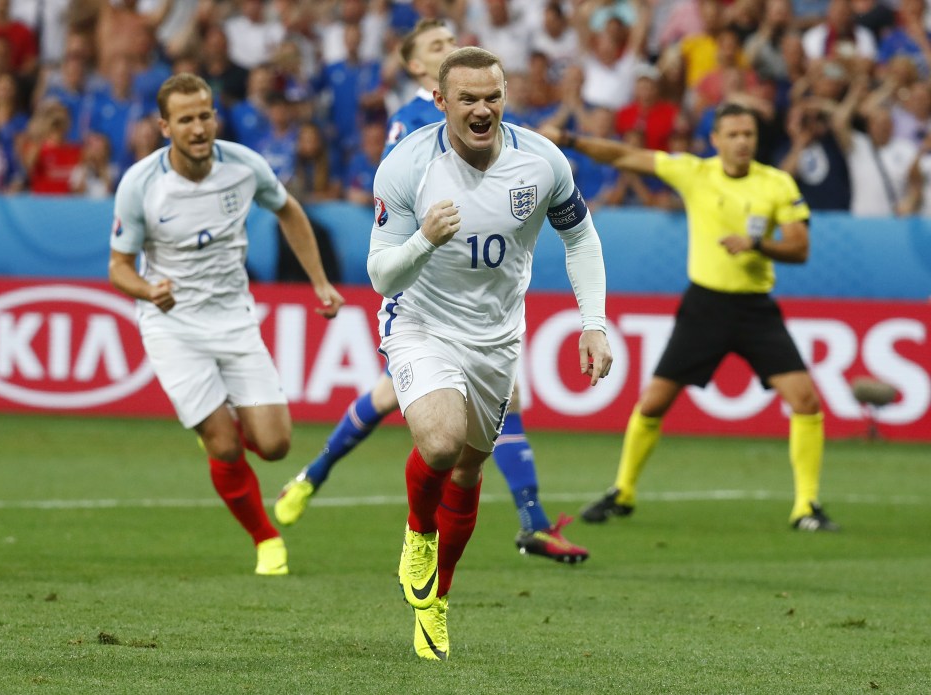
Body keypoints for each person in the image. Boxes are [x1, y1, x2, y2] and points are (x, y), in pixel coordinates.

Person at [275, 18, 593, 566]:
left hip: (480, 309)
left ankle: (317, 475)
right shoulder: (411, 132)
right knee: (428, 422)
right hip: (422, 305)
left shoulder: (495, 123)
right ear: (421, 71)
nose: (452, 48)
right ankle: (524, 519)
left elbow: (572, 227)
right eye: (437, 47)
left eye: (453, 41)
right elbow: (394, 221)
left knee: (450, 422)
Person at [364, 46, 611, 662]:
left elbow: (579, 236)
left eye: (492, 97)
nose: (482, 109)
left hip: (496, 337)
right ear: (441, 101)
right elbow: (380, 275)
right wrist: (424, 238)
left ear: (506, 96)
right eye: (467, 98)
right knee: (441, 444)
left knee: (471, 470)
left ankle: (437, 602)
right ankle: (418, 535)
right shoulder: (406, 168)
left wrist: (594, 323)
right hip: (420, 320)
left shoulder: (542, 162)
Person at [541, 102, 839, 533]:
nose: (741, 142)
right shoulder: (694, 172)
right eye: (733, 135)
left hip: (756, 309)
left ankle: (806, 506)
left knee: (806, 401)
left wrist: (757, 246)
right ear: (715, 140)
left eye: (748, 135)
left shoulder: (777, 183)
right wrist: (568, 140)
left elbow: (800, 247)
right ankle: (622, 492)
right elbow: (625, 156)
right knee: (654, 401)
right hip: (705, 307)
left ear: (756, 141)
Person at [108, 73, 344, 576]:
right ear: (164, 125)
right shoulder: (141, 185)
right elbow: (119, 267)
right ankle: (265, 540)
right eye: (186, 119)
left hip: (234, 319)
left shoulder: (243, 166)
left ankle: (225, 428)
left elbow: (290, 211)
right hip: (171, 326)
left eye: (205, 115)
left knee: (276, 446)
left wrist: (319, 282)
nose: (198, 127)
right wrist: (149, 290)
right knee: (225, 444)